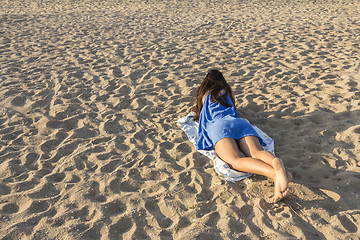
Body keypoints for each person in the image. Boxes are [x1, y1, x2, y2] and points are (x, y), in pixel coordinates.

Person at [194, 69, 291, 203]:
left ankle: (274, 174)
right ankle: (277, 164)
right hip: (239, 123)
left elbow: (201, 116)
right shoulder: (227, 92)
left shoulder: (205, 95)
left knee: (235, 160)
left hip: (219, 126)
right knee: (257, 152)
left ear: (206, 83)